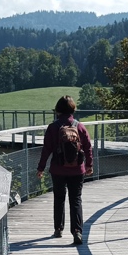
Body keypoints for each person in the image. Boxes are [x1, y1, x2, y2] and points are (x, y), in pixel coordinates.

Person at [36, 95, 93, 245]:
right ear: (73, 109)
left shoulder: (53, 127)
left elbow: (46, 150)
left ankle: (58, 229)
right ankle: (77, 231)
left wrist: (41, 168)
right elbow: (88, 147)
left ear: (58, 110)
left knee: (59, 198)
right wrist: (89, 165)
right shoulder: (79, 126)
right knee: (76, 199)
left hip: (58, 170)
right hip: (77, 170)